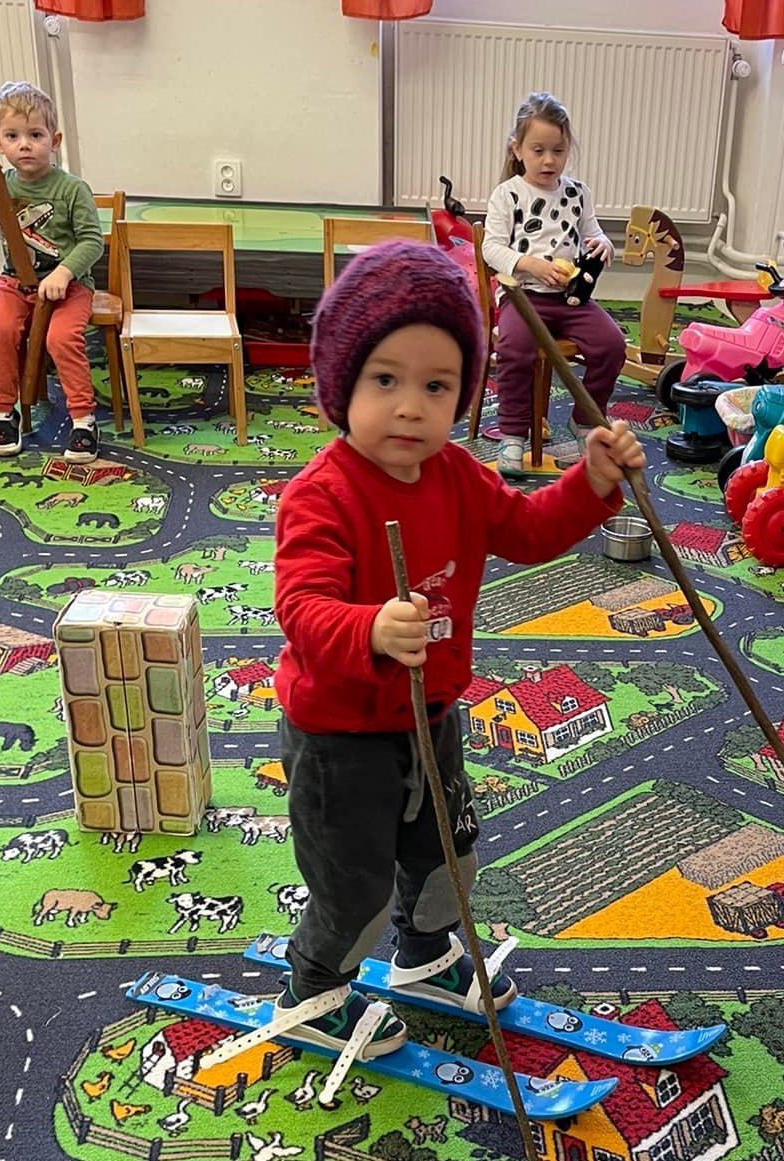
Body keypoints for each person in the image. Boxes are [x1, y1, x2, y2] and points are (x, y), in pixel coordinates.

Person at [271, 238, 644, 1053]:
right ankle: (312, 986)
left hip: (430, 715)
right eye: (385, 380)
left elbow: (531, 529)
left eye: (437, 386)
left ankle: (426, 954)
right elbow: (300, 607)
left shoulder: (460, 476)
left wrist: (591, 483)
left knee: (447, 853)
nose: (412, 407)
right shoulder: (321, 495)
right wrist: (368, 626)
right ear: (340, 384)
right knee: (354, 883)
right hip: (339, 733)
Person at [482, 91, 627, 477]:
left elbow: (594, 232)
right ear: (517, 150)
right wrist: (529, 264)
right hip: (523, 297)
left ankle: (585, 420)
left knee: (612, 345)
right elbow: (491, 248)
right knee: (514, 347)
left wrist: (604, 244)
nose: (549, 160)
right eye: (538, 150)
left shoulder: (578, 193)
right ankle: (513, 433)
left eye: (558, 151)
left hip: (570, 299)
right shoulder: (508, 195)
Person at [0, 81, 104, 462]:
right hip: (15, 282)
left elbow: (92, 242)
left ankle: (83, 419)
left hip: (69, 286)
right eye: (13, 136)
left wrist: (64, 272)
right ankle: (2, 413)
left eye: (35, 135)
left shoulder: (72, 189)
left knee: (62, 338)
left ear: (54, 140)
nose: (24, 145)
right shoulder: (0, 185)